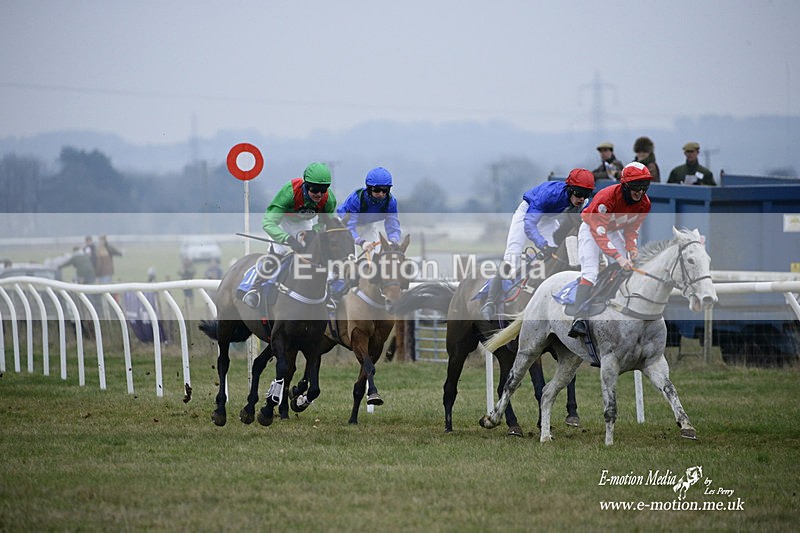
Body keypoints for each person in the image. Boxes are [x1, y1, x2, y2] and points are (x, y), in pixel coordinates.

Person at [480, 168, 596, 321]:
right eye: (579, 194)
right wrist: (542, 245)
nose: (582, 199)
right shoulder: (549, 195)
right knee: (512, 256)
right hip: (527, 215)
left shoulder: (583, 202)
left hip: (548, 218)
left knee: (556, 251)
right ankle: (490, 302)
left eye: (586, 195)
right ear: (570, 189)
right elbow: (529, 224)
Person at [568, 162, 653, 338]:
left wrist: (632, 250)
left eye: (644, 187)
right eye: (636, 187)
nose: (640, 191)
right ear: (625, 185)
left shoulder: (644, 204)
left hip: (611, 231)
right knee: (590, 272)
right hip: (592, 229)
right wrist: (618, 257)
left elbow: (632, 230)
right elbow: (599, 233)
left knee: (629, 267)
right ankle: (579, 318)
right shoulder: (606, 198)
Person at [242, 162, 337, 308]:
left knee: (316, 254)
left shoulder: (328, 199)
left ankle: (325, 293)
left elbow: (327, 221)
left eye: (323, 189)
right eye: (315, 189)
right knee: (279, 252)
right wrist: (287, 238)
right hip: (281, 222)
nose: (319, 194)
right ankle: (255, 289)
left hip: (304, 224)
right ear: (306, 184)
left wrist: (315, 231)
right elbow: (268, 222)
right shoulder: (290, 191)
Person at [336, 166, 401, 256]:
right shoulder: (356, 199)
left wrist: (393, 241)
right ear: (369, 189)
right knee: (349, 257)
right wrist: (361, 242)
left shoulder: (391, 202)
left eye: (385, 190)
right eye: (377, 190)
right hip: (345, 225)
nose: (381, 194)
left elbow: (393, 226)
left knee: (375, 256)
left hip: (367, 225)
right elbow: (350, 227)